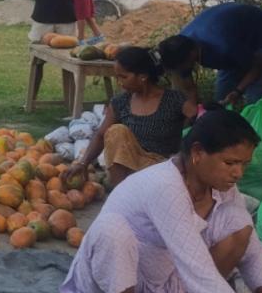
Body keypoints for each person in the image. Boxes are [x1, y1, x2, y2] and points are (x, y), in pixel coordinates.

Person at [60, 108, 262, 293]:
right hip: (114, 280)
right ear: (197, 153)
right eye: (230, 163)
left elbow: (251, 249)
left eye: (244, 164)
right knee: (110, 231)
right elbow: (199, 271)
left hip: (164, 281)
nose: (239, 173)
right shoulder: (166, 186)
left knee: (241, 231)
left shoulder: (223, 188)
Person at [62, 47, 196, 188]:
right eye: (117, 76)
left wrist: (184, 153)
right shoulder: (120, 102)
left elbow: (199, 120)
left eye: (124, 77)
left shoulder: (173, 100)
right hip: (128, 172)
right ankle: (121, 194)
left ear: (143, 76)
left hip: (160, 169)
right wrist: (83, 163)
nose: (119, 82)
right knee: (116, 131)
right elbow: (101, 136)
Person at [158, 3, 262, 107]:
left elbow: (259, 64)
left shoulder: (223, 45)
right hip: (233, 40)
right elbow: (188, 89)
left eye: (183, 67)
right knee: (221, 100)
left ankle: (261, 134)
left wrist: (237, 91)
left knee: (256, 101)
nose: (182, 71)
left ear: (191, 54)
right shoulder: (178, 46)